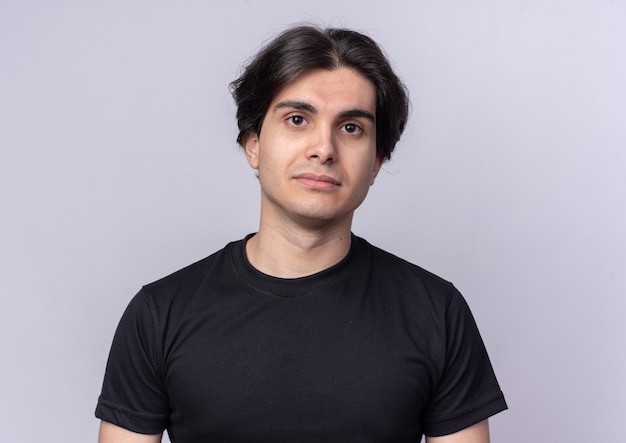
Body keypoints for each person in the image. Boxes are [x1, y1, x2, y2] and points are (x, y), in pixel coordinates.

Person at [95, 25, 507, 443]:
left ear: (378, 161)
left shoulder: (436, 313)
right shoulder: (160, 314)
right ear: (252, 143)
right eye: (297, 119)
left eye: (351, 128)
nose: (323, 148)